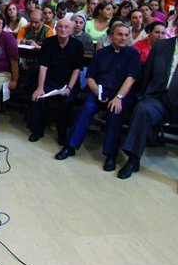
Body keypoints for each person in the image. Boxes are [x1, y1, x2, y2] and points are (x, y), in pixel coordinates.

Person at [55, 23, 141, 172]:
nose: (123, 38)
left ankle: (111, 155)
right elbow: (90, 78)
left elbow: (131, 78)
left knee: (115, 112)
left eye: (126, 35)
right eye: (119, 34)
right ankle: (70, 146)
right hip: (99, 91)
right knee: (87, 107)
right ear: (111, 36)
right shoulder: (101, 53)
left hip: (120, 94)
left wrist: (118, 98)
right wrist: (97, 93)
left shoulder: (133, 54)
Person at [118, 34, 178, 179]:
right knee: (142, 109)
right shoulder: (161, 45)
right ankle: (133, 159)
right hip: (160, 97)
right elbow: (148, 72)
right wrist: (143, 96)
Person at [27, 19, 84, 143]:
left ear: (71, 30)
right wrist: (40, 87)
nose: (63, 29)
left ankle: (62, 134)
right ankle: (37, 130)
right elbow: (43, 65)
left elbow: (76, 69)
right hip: (50, 79)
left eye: (66, 27)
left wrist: (69, 88)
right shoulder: (48, 42)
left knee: (66, 102)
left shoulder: (77, 45)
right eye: (60, 27)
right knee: (39, 97)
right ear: (56, 28)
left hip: (69, 82)